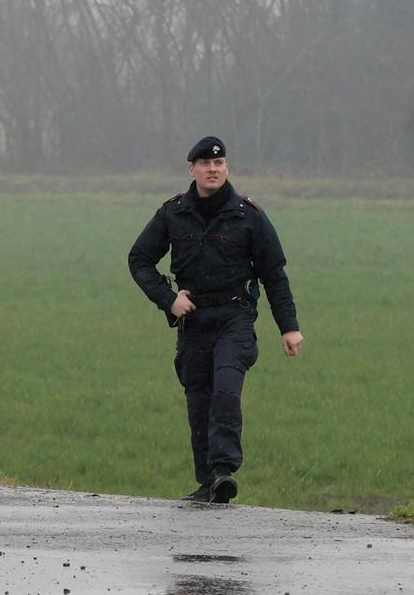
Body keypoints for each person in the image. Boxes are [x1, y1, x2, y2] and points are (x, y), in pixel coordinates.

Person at [127, 136, 304, 504]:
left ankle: (224, 469)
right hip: (193, 322)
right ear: (192, 169)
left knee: (226, 389)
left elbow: (274, 274)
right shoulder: (173, 213)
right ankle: (209, 482)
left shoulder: (248, 215)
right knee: (199, 401)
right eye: (205, 164)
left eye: (219, 164)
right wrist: (168, 299)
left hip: (235, 319)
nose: (213, 170)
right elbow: (139, 260)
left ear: (227, 168)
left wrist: (289, 327)